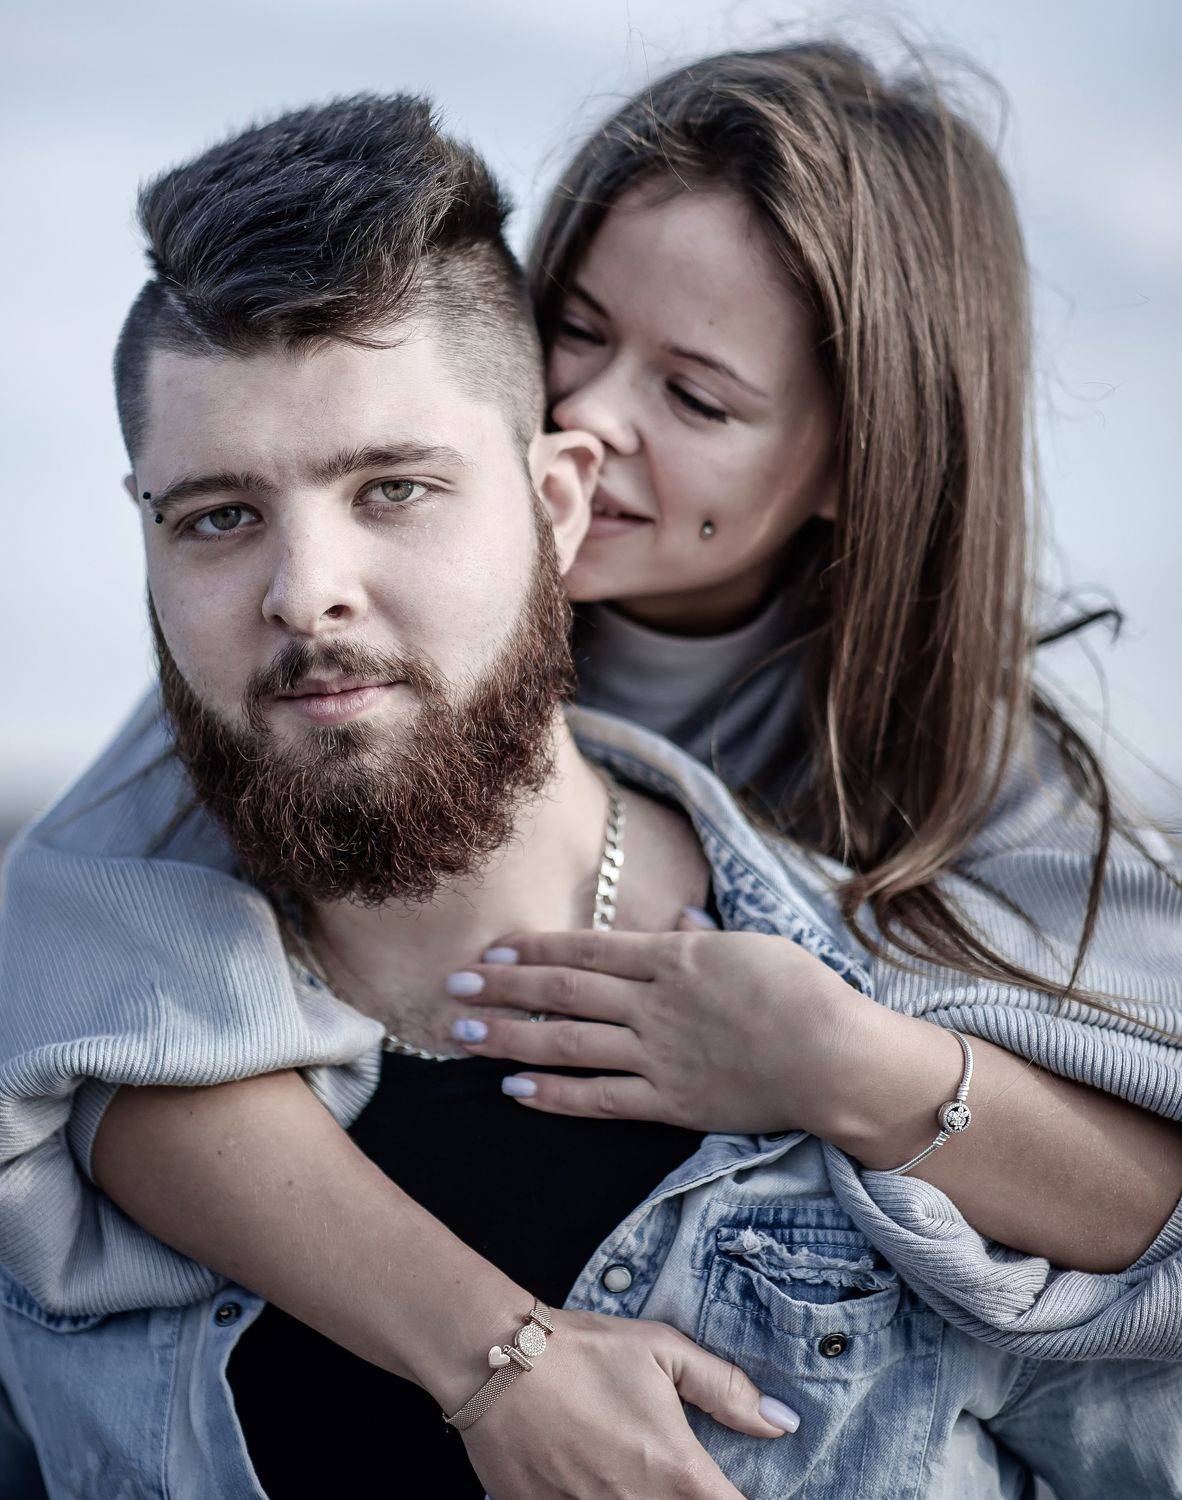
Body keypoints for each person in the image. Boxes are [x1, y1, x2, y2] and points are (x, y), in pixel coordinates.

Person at [1, 46, 1180, 1500]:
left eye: (695, 395)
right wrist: (497, 1355)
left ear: (851, 457)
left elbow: (1150, 1221)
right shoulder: (339, 677)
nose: (593, 413)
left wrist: (842, 1066)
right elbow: (77, 1006)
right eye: (575, 331)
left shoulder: (989, 788)